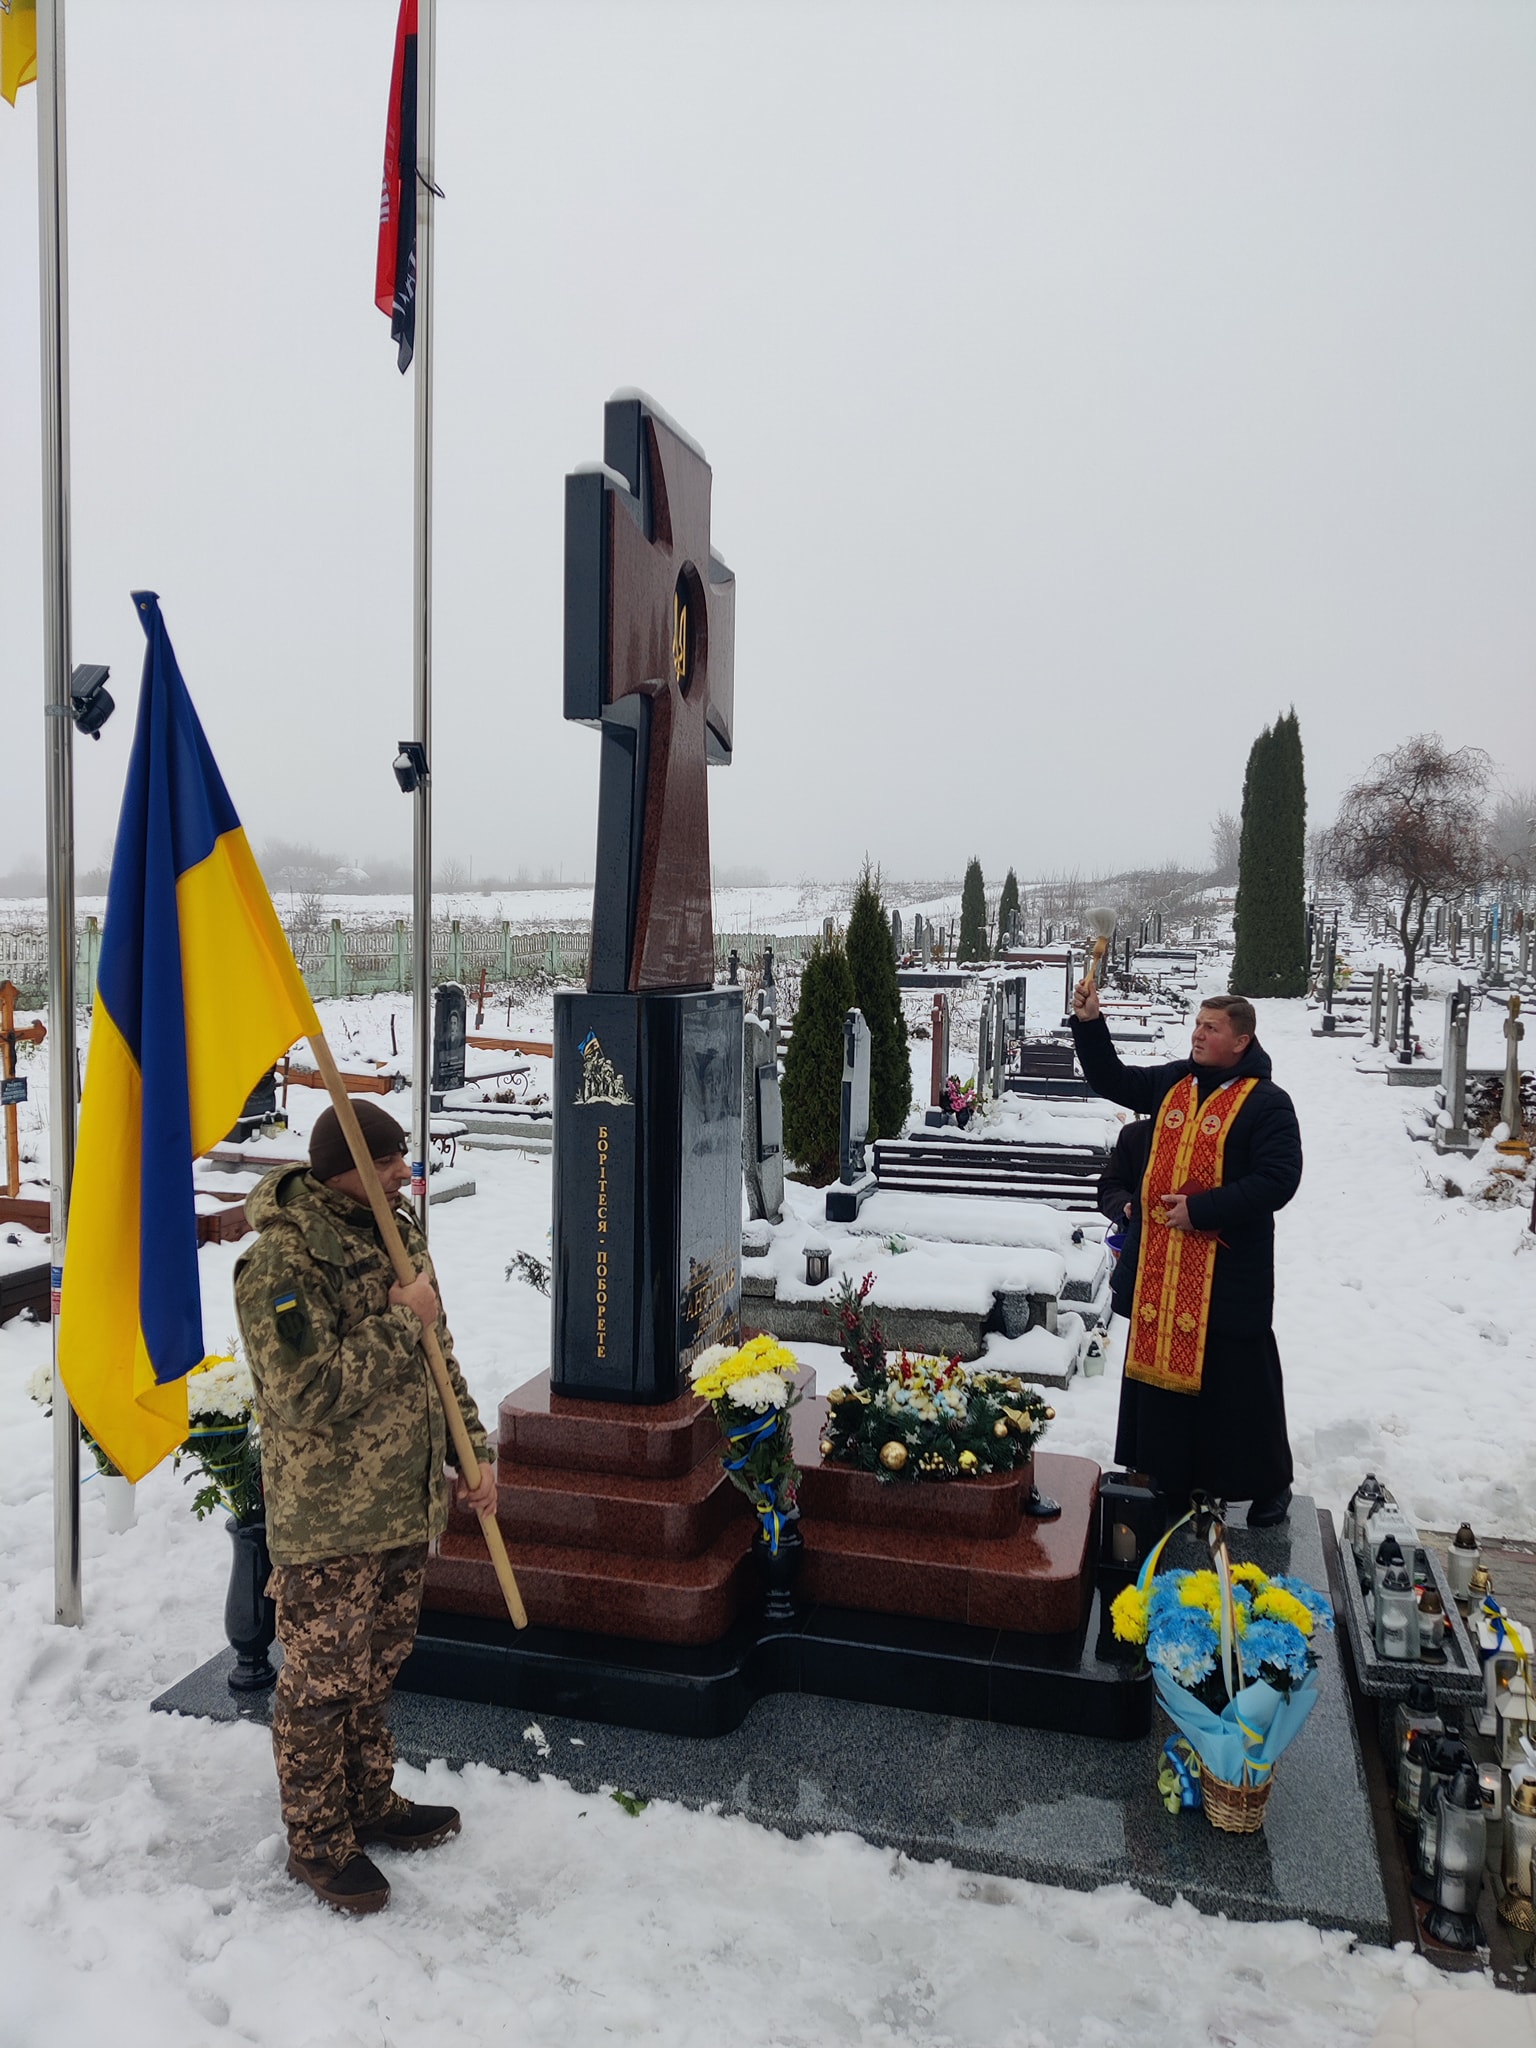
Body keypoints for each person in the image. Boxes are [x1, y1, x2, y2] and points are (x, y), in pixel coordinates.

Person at [234, 1100, 496, 1915]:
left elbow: (437, 1358)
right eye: (388, 1161)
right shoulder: (281, 1264)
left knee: (377, 1670)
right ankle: (317, 1840)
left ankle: (369, 1802)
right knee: (321, 1684)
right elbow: (304, 1392)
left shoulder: (396, 1231)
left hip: (403, 1507)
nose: (402, 1172)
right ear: (344, 1170)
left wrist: (472, 1453)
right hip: (332, 1521)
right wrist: (397, 1319)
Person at [1070, 982, 1302, 1525]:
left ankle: (1267, 1485)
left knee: (1239, 1384)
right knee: (1166, 1388)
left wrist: (1204, 1211)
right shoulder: (1177, 1082)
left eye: (1211, 1028)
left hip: (1228, 1274)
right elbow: (1113, 1079)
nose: (1197, 1034)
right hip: (1163, 1272)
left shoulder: (1268, 1103)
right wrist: (1089, 1022)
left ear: (1242, 1041)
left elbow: (1279, 1179)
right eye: (1197, 1024)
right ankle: (1171, 1479)